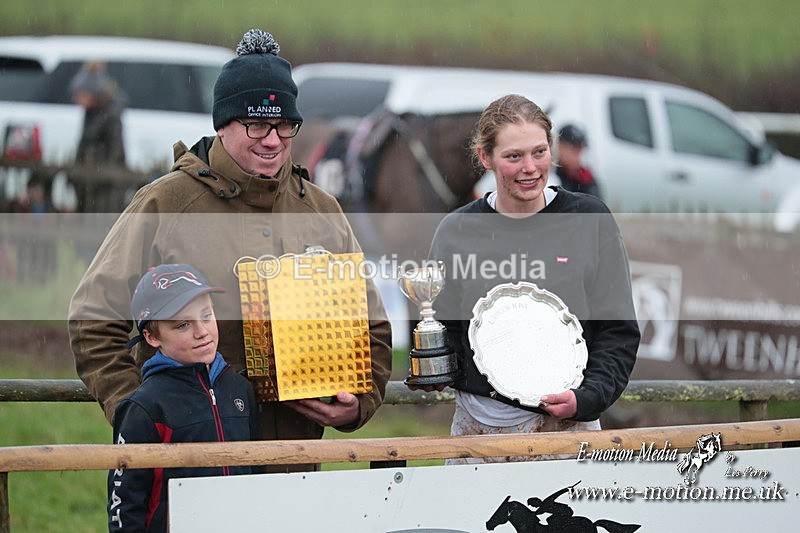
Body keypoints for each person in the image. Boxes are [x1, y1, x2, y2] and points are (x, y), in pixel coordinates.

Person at [68, 28, 392, 472]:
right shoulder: (165, 203)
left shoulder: (321, 210)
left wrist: (358, 404)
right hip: (190, 465)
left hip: (294, 467)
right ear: (222, 124)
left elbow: (371, 328)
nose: (273, 140)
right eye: (256, 124)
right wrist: (143, 417)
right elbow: (93, 318)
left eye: (284, 125)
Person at [416, 94, 639, 463]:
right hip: (478, 433)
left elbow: (618, 331)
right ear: (485, 158)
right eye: (514, 156)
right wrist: (439, 368)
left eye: (539, 152)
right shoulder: (456, 230)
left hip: (568, 433)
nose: (530, 167)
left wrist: (585, 399)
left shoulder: (588, 218)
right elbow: (441, 326)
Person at [108, 263, 260, 532]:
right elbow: (125, 501)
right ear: (152, 336)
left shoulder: (241, 390)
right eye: (182, 325)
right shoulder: (143, 406)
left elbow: (256, 473)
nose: (201, 331)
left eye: (207, 315)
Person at [69, 60, 126, 167]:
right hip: (94, 167)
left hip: (103, 169)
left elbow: (115, 147)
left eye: (81, 95)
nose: (76, 99)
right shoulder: (92, 112)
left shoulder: (110, 113)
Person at [555, 123, 602, 198]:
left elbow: (594, 203)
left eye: (580, 150)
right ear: (559, 146)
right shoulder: (549, 172)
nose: (577, 156)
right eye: (573, 149)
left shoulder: (584, 177)